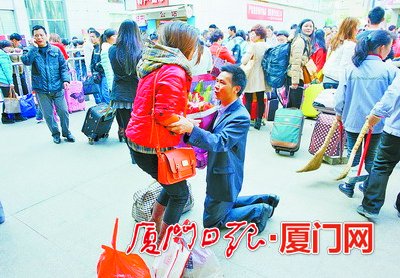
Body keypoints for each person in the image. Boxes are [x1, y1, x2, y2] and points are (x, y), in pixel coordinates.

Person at [168, 65, 280, 234]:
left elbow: (220, 142)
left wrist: (191, 128)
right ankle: (266, 199)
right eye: (216, 81)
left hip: (225, 176)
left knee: (211, 222)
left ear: (236, 89)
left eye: (222, 82)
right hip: (219, 171)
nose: (216, 86)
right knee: (222, 205)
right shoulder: (220, 107)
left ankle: (259, 210)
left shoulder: (240, 116)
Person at [125, 21, 198, 244]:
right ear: (186, 45)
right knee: (180, 193)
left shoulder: (156, 64)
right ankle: (165, 241)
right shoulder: (174, 70)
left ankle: (156, 225)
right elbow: (164, 114)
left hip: (141, 140)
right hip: (151, 146)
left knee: (170, 184)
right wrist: (188, 123)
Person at [334, 30, 397, 198]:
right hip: (377, 123)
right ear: (382, 48)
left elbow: (340, 97)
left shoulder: (351, 68)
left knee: (353, 153)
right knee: (371, 157)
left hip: (352, 119)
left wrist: (338, 113)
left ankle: (348, 185)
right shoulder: (389, 70)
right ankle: (368, 186)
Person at [22, 25, 75, 144]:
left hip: (57, 87)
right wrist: (34, 49)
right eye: (36, 35)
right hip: (41, 89)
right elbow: (26, 61)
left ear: (46, 36)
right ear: (33, 37)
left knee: (64, 111)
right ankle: (55, 134)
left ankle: (66, 133)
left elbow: (63, 66)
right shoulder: (30, 50)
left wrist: (66, 80)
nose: (39, 37)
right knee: (48, 115)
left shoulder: (55, 50)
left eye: (41, 35)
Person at [357, 74, 400, 219]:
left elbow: (393, 94)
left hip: (396, 130)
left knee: (382, 166)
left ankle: (371, 207)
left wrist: (376, 114)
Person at [109, 20, 143, 147]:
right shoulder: (141, 51)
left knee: (126, 126)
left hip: (120, 93)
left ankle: (132, 151)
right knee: (139, 127)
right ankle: (139, 154)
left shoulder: (112, 50)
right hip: (137, 93)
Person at [242, 24, 271, 130]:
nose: (251, 35)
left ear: (259, 35)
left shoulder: (253, 45)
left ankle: (247, 122)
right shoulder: (267, 45)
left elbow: (244, 61)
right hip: (263, 75)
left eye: (253, 34)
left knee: (248, 99)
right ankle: (258, 122)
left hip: (252, 75)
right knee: (260, 99)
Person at [323, 17, 360, 89]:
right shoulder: (350, 44)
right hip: (337, 80)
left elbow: (328, 58)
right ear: (351, 29)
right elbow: (345, 66)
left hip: (327, 77)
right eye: (356, 28)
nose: (357, 30)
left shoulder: (336, 40)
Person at [286, 19, 314, 108]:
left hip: (296, 75)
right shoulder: (300, 41)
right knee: (294, 105)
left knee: (293, 104)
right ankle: (290, 122)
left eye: (311, 26)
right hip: (295, 76)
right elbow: (295, 62)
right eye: (306, 26)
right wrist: (295, 82)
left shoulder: (305, 40)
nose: (308, 28)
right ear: (301, 27)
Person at [1, 40, 27, 124]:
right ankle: (6, 117)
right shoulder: (3, 55)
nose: (10, 49)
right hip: (5, 80)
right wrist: (10, 81)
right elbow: (6, 69)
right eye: (9, 47)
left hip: (2, 79)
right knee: (9, 97)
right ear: (4, 47)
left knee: (10, 97)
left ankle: (16, 115)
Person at [99, 28, 117, 104]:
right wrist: (112, 87)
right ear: (107, 38)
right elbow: (108, 70)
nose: (116, 38)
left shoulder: (111, 48)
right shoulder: (106, 50)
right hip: (111, 81)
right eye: (114, 36)